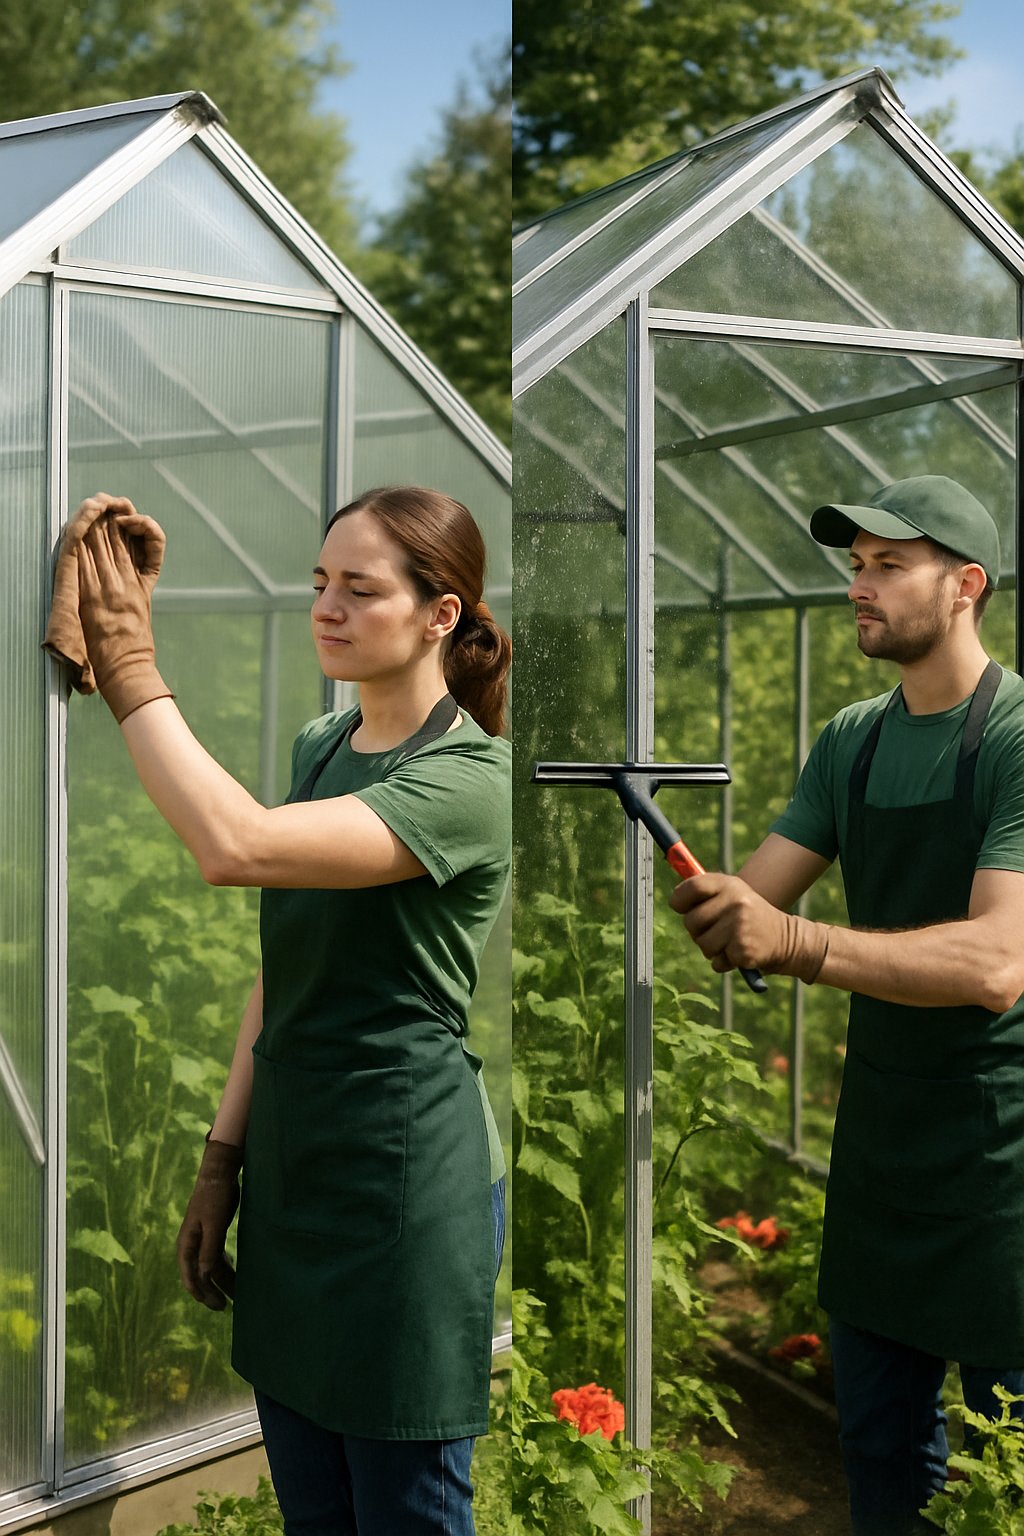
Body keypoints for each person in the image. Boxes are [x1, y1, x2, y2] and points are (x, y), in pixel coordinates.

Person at [45, 485, 512, 1536]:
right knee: (313, 1509)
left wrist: (127, 662)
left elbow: (237, 847)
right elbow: (283, 967)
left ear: (441, 615)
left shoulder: (471, 777)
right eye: (318, 585)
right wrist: (224, 1156)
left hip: (403, 1192)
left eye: (360, 588)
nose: (327, 609)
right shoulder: (322, 744)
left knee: (407, 1511)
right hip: (299, 1176)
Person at [670, 475, 1024, 1536]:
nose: (857, 587)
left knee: (1010, 1459)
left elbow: (999, 962)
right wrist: (718, 905)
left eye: (886, 566)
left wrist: (796, 943)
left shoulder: (1014, 735)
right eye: (853, 565)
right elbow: (762, 897)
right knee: (876, 1450)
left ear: (963, 585)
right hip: (880, 1145)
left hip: (1002, 1158)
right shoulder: (853, 738)